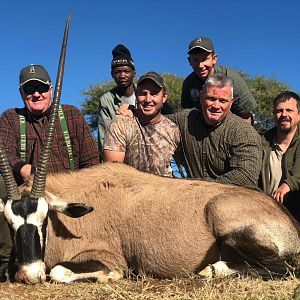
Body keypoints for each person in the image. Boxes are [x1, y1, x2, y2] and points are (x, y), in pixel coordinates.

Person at [0, 64, 99, 280]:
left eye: (41, 88)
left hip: (66, 198)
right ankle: (6, 260)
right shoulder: (10, 118)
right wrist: (26, 170)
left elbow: (92, 163)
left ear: (51, 89)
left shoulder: (72, 115)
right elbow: (5, 155)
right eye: (29, 89)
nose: (36, 94)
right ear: (21, 93)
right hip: (26, 202)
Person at [117, 74, 262, 186]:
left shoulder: (244, 132)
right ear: (201, 98)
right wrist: (132, 110)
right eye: (211, 98)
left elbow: (245, 176)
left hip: (232, 202)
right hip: (195, 204)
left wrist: (200, 188)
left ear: (231, 103)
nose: (216, 106)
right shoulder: (186, 119)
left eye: (222, 101)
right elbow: (157, 117)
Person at [103, 71, 180, 176]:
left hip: (163, 189)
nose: (148, 99)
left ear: (164, 97)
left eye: (154, 94)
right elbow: (113, 173)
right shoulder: (121, 123)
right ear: (136, 95)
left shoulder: (173, 130)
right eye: (143, 93)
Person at [181, 37, 256, 124]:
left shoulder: (232, 78)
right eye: (196, 60)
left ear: (214, 58)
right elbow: (187, 112)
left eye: (205, 59)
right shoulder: (188, 83)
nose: (201, 65)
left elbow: (245, 114)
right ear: (189, 61)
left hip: (233, 124)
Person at [259, 91, 300, 222]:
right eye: (279, 111)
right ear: (274, 115)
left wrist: (288, 185)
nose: (284, 115)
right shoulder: (261, 142)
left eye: (289, 110)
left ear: (298, 115)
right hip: (266, 213)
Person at [97, 44, 137, 160]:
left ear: (134, 72)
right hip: (120, 156)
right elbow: (104, 136)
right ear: (112, 74)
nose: (122, 75)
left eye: (126, 71)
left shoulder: (145, 93)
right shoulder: (106, 100)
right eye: (118, 72)